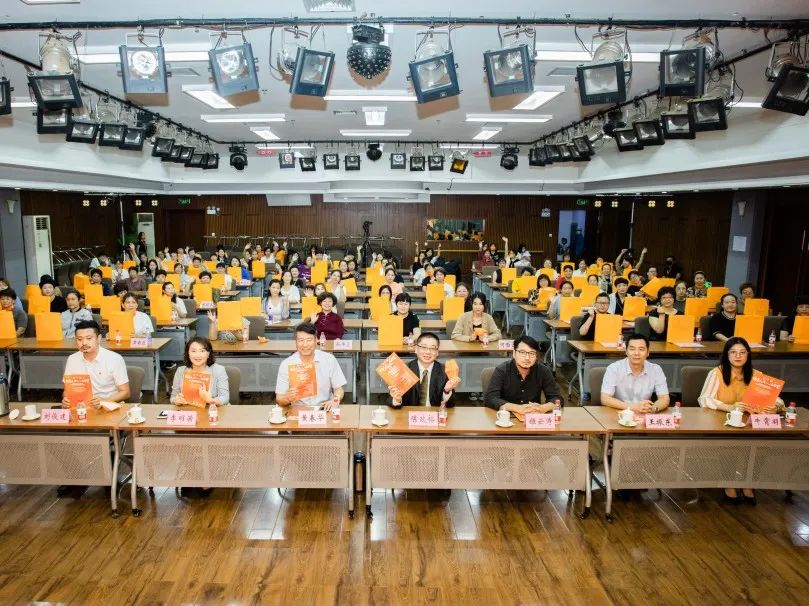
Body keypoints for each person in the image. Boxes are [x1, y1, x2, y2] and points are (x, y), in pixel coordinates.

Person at [698, 337, 785, 504]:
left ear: (748, 354)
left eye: (742, 352)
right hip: (723, 422)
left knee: (760, 446)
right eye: (733, 352)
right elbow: (704, 399)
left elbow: (777, 399)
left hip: (750, 424)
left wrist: (776, 407)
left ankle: (748, 482)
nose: (738, 356)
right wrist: (729, 407)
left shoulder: (756, 375)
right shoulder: (717, 373)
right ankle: (729, 483)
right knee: (730, 445)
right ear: (727, 355)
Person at [484, 335, 563, 417]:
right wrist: (516, 408)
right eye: (522, 352)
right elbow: (490, 398)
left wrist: (542, 408)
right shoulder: (502, 370)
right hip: (506, 417)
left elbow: (557, 398)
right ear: (514, 353)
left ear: (536, 356)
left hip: (533, 417)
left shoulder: (543, 371)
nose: (527, 358)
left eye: (532, 353)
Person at [275, 322, 346, 410]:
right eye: (301, 340)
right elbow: (279, 398)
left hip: (324, 408)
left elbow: (339, 389)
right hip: (298, 410)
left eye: (309, 340)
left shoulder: (329, 359)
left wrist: (335, 400)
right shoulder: (286, 364)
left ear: (316, 340)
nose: (305, 345)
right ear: (296, 342)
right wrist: (287, 398)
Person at [62, 319, 130, 404]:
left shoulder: (114, 359)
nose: (84, 343)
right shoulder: (72, 359)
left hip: (108, 405)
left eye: (89, 338)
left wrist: (104, 401)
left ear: (99, 338)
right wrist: (66, 399)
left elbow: (125, 392)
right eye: (79, 339)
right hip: (82, 406)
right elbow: (67, 390)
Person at [600, 333, 669, 413]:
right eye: (632, 349)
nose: (636, 353)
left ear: (648, 352)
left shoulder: (656, 370)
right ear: (626, 351)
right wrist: (632, 407)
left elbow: (664, 398)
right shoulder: (614, 369)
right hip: (619, 412)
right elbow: (605, 398)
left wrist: (653, 408)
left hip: (644, 413)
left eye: (641, 349)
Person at [387, 332, 460, 407]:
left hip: (435, 413)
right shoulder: (404, 370)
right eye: (424, 347)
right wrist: (397, 399)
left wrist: (446, 391)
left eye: (433, 348)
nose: (428, 352)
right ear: (416, 349)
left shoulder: (445, 371)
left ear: (437, 352)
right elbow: (390, 400)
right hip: (410, 413)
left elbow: (451, 405)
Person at [170, 337, 230, 406]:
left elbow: (225, 398)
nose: (197, 355)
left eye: (202, 351)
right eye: (193, 351)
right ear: (188, 353)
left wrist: (210, 400)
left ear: (208, 354)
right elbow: (173, 397)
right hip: (189, 410)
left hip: (212, 409)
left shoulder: (219, 370)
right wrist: (176, 401)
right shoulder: (180, 371)